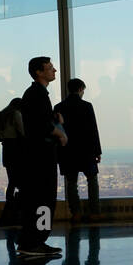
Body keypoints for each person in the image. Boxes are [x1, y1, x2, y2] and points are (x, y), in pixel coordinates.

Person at [16, 57, 66, 259]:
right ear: (39, 72)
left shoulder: (35, 94)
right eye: (50, 68)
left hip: (37, 156)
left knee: (40, 200)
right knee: (42, 200)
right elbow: (40, 125)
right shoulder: (37, 94)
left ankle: (37, 240)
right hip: (40, 158)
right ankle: (34, 241)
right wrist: (59, 132)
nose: (55, 70)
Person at [55, 78, 102, 223]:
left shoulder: (59, 107)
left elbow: (57, 130)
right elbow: (93, 129)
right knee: (92, 180)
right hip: (86, 150)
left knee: (71, 182)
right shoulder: (87, 106)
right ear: (81, 89)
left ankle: (75, 213)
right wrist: (97, 151)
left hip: (67, 151)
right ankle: (94, 212)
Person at [0, 98, 26, 221]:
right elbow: (23, 133)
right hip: (18, 151)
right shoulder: (16, 114)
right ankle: (19, 212)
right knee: (21, 181)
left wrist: (0, 134)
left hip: (6, 151)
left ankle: (9, 210)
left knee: (12, 181)